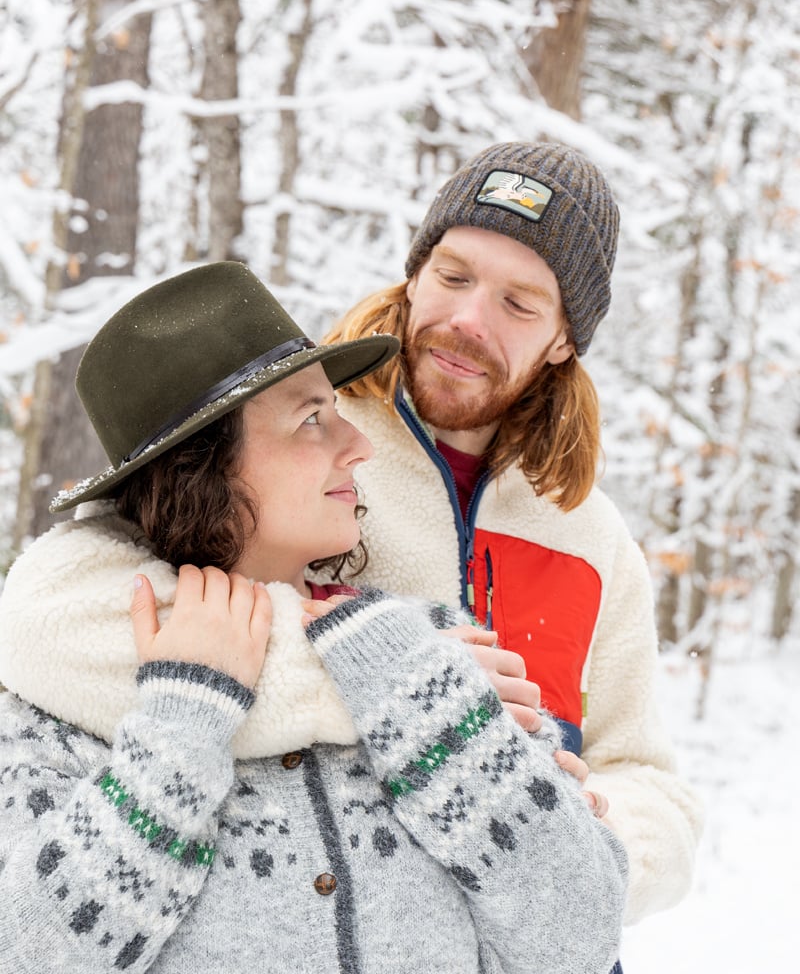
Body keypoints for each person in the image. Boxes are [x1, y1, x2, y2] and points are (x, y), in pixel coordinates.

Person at [0, 262, 627, 973]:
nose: (355, 444)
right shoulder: (61, 709)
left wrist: (434, 713)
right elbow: (30, 954)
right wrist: (180, 732)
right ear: (201, 470)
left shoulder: (426, 645)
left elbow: (580, 936)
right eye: (311, 420)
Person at [324, 141, 704, 925]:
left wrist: (582, 843)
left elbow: (644, 776)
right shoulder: (304, 448)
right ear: (415, 275)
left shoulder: (593, 541)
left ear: (565, 339)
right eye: (453, 277)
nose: (467, 320)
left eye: (518, 304)